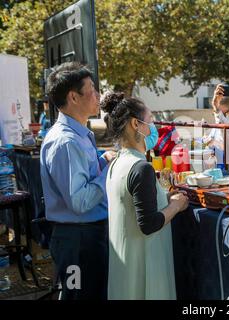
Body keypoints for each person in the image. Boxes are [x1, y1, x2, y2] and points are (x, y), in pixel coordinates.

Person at [101, 92, 189, 300]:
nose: (153, 128)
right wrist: (175, 206)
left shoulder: (116, 164)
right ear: (135, 124)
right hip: (144, 272)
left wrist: (163, 200)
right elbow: (148, 223)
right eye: (149, 121)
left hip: (124, 270)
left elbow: (132, 205)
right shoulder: (141, 168)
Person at [40, 62, 116, 300]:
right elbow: (80, 201)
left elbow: (84, 175)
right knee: (79, 296)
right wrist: (111, 172)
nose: (98, 95)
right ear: (73, 97)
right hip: (78, 241)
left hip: (86, 237)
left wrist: (102, 161)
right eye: (92, 89)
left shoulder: (79, 135)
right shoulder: (66, 142)